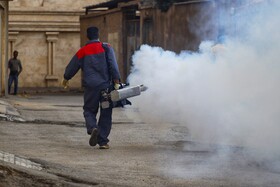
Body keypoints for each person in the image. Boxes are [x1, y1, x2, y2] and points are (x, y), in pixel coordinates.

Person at [62, 26, 121, 149]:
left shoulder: (83, 51)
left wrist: (66, 78)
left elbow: (72, 66)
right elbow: (113, 65)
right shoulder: (106, 48)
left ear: (87, 36)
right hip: (105, 87)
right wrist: (116, 81)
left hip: (91, 88)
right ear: (98, 35)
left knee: (89, 110)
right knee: (106, 112)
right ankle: (103, 141)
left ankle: (93, 127)